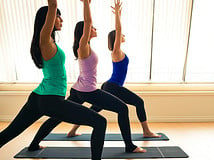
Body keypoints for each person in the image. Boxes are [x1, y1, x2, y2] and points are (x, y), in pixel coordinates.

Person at [26, 0, 145, 153]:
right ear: (85, 31)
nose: (94, 28)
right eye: (91, 28)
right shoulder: (83, 45)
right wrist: (86, 4)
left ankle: (34, 144)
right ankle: (130, 146)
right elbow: (88, 22)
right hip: (88, 91)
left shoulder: (86, 46)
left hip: (79, 89)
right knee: (122, 108)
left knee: (56, 117)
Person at [0, 0, 106, 160]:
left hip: (38, 98)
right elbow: (52, 5)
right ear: (48, 19)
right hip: (50, 100)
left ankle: (34, 145)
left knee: (8, 133)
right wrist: (54, 7)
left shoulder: (48, 41)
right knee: (100, 122)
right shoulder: (44, 40)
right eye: (58, 17)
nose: (61, 20)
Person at [69, 0, 160, 138]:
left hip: (110, 86)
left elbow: (119, 32)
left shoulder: (119, 51)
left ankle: (73, 130)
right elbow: (118, 30)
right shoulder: (116, 51)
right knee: (139, 102)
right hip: (113, 86)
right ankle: (146, 131)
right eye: (121, 36)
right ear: (115, 38)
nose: (123, 36)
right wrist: (117, 14)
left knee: (96, 108)